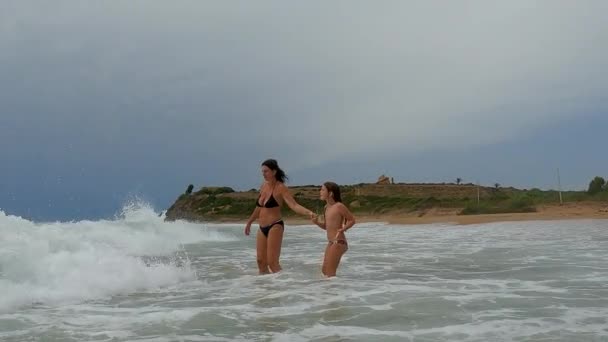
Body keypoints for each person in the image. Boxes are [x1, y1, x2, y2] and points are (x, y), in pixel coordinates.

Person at [244, 159, 315, 274]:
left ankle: (284, 286)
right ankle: (266, 289)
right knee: (260, 261)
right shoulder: (263, 186)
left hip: (275, 225)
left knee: (273, 263)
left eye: (266, 171)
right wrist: (250, 222)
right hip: (261, 227)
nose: (263, 174)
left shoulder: (281, 188)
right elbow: (258, 207)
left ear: (274, 171)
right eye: (262, 172)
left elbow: (294, 205)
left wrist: (309, 213)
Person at [311, 182, 356, 277]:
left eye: (323, 190)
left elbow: (352, 220)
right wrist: (317, 222)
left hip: (339, 242)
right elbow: (326, 227)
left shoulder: (339, 206)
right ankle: (329, 291)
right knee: (324, 271)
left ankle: (334, 291)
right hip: (331, 242)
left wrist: (343, 229)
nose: (320, 192)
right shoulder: (326, 207)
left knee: (330, 273)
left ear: (330, 193)